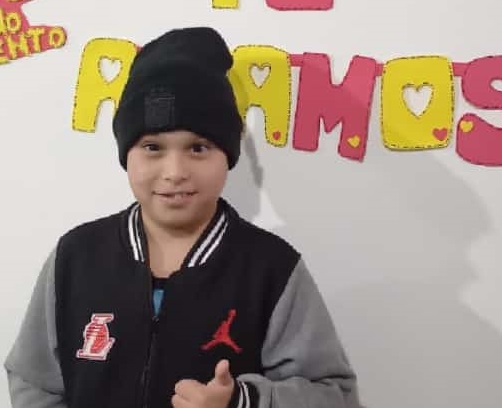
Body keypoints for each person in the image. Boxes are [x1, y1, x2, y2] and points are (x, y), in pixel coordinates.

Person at [4, 26, 361, 408]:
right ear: (126, 154)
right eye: (152, 147)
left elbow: (336, 395)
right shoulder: (76, 256)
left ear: (227, 155)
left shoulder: (271, 268)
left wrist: (244, 401)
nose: (175, 172)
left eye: (198, 148)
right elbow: (33, 380)